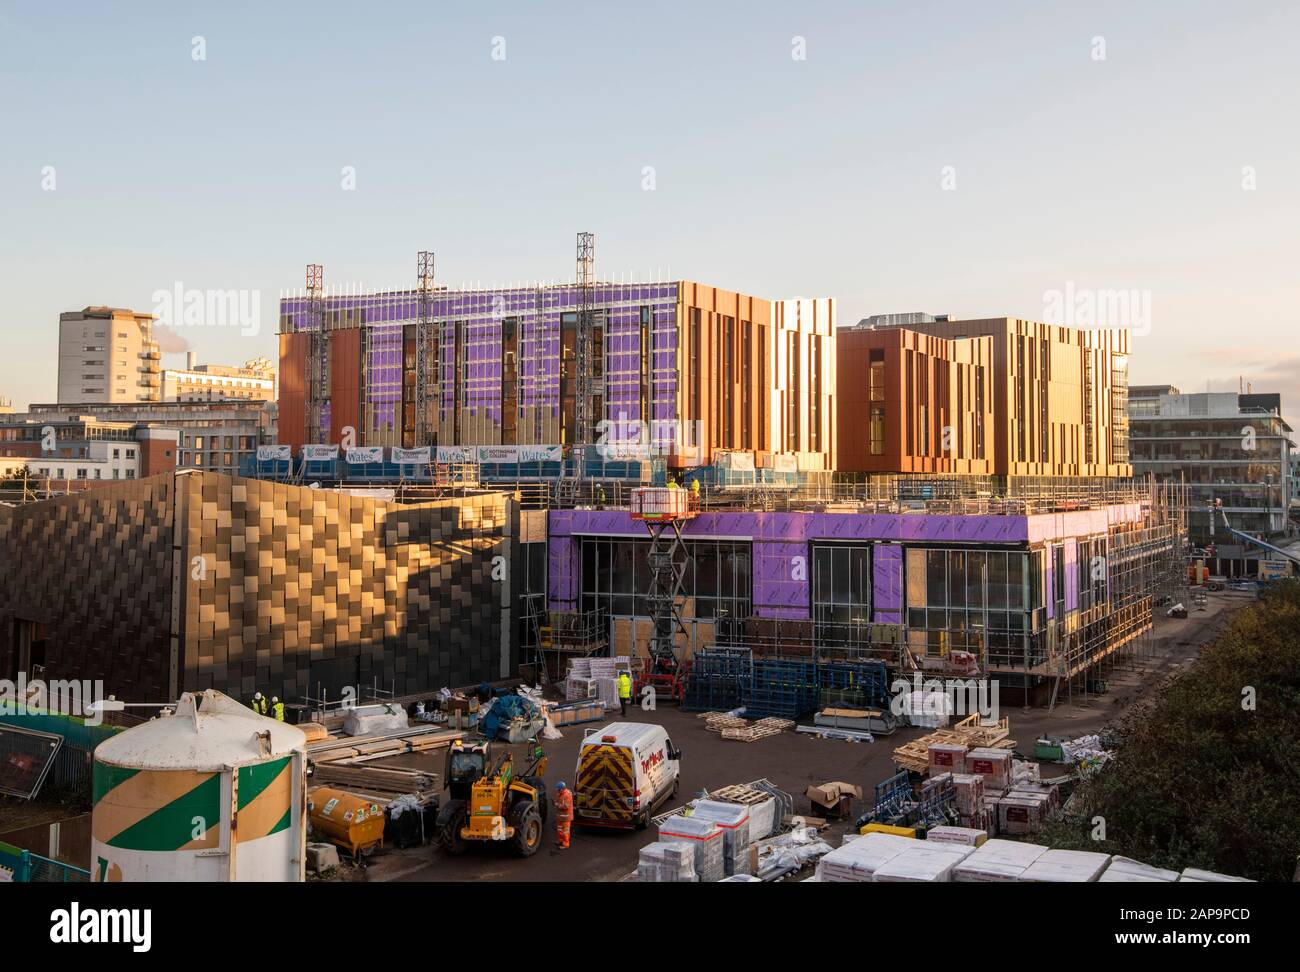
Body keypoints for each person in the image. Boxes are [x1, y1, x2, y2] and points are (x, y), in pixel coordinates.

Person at [554, 781, 573, 849]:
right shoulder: (559, 794)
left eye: (558, 789)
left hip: (566, 817)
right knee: (559, 829)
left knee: (565, 831)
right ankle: (561, 841)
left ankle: (565, 844)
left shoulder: (567, 795)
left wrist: (558, 805)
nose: (557, 790)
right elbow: (557, 801)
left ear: (561, 789)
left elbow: (566, 806)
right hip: (560, 816)